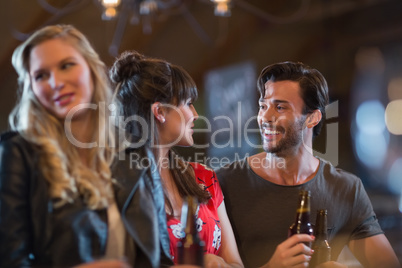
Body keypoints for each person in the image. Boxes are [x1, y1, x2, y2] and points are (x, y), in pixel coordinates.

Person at [0, 24, 171, 267]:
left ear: (91, 69)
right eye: (41, 76)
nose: (55, 82)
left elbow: (161, 259)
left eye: (66, 65)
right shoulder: (18, 154)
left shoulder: (135, 150)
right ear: (32, 90)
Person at [216, 61, 400, 268]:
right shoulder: (224, 183)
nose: (265, 117)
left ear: (312, 117)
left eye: (279, 107)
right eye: (263, 106)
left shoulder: (346, 189)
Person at [110, 50, 244, 267]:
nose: (195, 114)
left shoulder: (204, 177)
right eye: (188, 103)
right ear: (160, 111)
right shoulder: (120, 185)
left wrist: (216, 264)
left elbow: (236, 264)